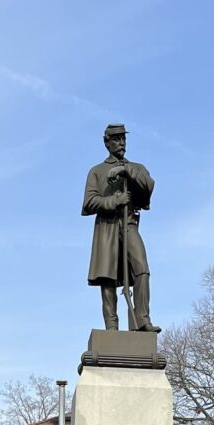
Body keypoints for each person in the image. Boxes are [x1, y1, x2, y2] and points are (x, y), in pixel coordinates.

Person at [82, 124, 161, 332]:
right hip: (106, 226)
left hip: (129, 224)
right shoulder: (96, 171)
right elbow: (89, 202)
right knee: (107, 276)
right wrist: (115, 200)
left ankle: (142, 319)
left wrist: (127, 171)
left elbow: (148, 187)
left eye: (123, 138)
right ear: (106, 142)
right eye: (116, 139)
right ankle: (111, 325)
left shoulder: (136, 167)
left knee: (142, 268)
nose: (122, 142)